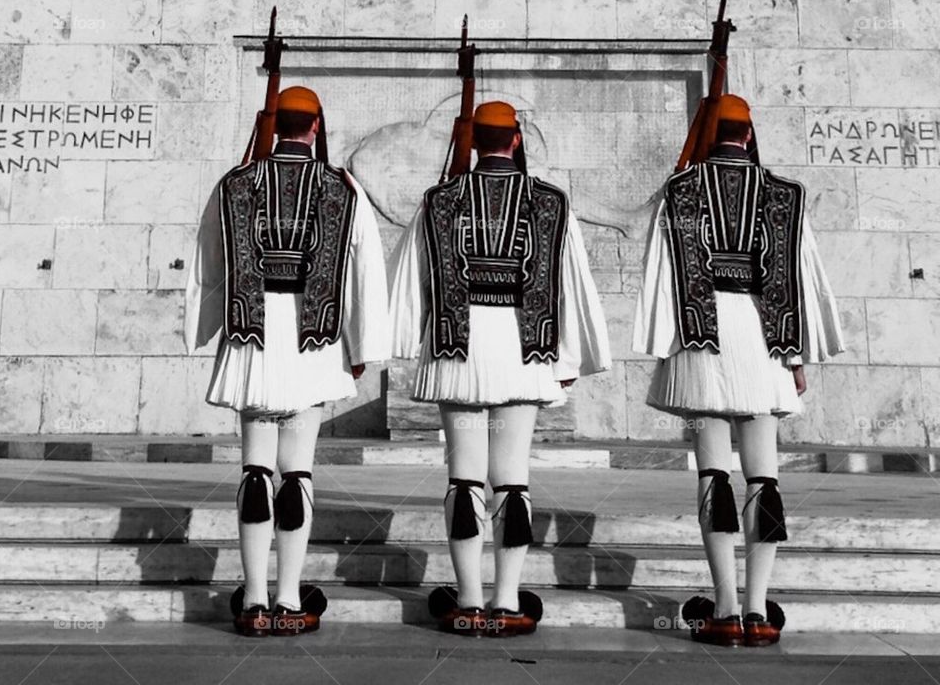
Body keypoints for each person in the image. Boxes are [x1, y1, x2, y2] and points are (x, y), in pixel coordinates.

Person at [389, 100, 612, 637]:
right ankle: (508, 601)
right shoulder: (551, 204)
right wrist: (572, 356)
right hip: (522, 351)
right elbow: (571, 283)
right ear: (516, 140)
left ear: (473, 142)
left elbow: (410, 280)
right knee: (512, 481)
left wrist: (402, 341)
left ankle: (466, 601)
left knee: (464, 477)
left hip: (456, 351)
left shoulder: (438, 201)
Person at [634, 94, 843, 648]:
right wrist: (796, 356)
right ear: (749, 136)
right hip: (763, 345)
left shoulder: (679, 191)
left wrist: (662, 347)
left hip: (701, 343)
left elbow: (661, 275)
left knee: (712, 476)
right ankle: (758, 610)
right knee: (764, 477)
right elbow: (800, 278)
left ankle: (723, 608)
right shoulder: (785, 195)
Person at [185, 86, 389, 636]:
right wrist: (363, 347)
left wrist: (202, 331)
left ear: (275, 128)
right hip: (313, 346)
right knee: (297, 473)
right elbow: (366, 269)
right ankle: (291, 597)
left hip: (252, 342)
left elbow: (209, 259)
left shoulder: (235, 184)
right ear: (317, 126)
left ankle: (252, 601)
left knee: (255, 471)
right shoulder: (343, 191)